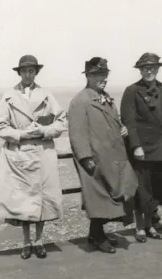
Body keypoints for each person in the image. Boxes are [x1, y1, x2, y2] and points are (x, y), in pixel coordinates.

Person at [0, 55, 67, 259]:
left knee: (41, 199)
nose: (28, 74)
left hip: (42, 152)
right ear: (19, 72)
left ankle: (40, 240)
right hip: (19, 154)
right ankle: (26, 242)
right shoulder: (8, 96)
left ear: (36, 72)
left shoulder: (46, 95)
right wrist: (21, 134)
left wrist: (44, 131)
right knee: (23, 199)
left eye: (31, 71)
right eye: (24, 70)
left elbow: (61, 122)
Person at [68, 57, 138, 254]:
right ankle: (98, 237)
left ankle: (95, 234)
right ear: (89, 76)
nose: (103, 78)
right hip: (94, 159)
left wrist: (122, 128)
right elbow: (77, 133)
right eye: (99, 75)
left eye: (105, 75)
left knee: (116, 192)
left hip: (112, 157)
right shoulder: (80, 101)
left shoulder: (105, 97)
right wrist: (86, 158)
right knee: (98, 198)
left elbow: (113, 122)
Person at [120, 52, 162, 242]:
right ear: (140, 70)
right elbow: (129, 121)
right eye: (145, 68)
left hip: (161, 148)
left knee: (156, 188)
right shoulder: (131, 91)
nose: (149, 71)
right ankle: (140, 227)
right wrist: (136, 146)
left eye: (153, 67)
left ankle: (151, 225)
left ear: (158, 69)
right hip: (141, 149)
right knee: (142, 188)